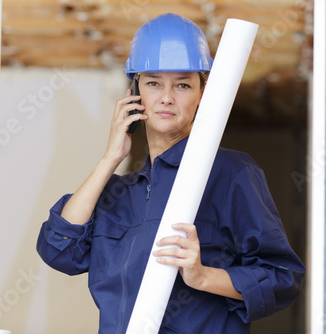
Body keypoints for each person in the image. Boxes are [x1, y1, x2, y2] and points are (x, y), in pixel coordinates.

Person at [37, 13, 305, 333]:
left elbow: (282, 278)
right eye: (153, 83)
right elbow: (58, 249)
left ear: (202, 94)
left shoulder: (230, 173)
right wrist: (111, 157)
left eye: (182, 84)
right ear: (134, 94)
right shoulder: (116, 194)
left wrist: (203, 275)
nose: (166, 97)